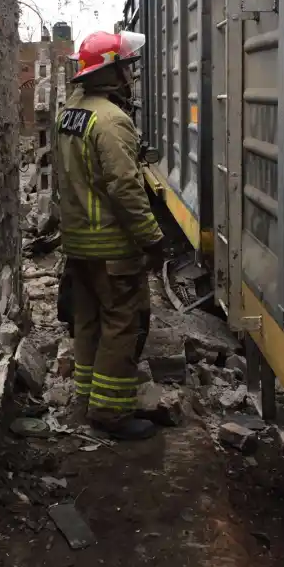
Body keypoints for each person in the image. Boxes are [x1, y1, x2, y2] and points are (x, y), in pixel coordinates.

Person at [56, 29, 164, 440]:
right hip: (112, 246)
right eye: (126, 67)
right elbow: (125, 187)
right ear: (111, 72)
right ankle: (112, 414)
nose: (130, 75)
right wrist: (151, 238)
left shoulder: (69, 111)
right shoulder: (113, 121)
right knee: (122, 322)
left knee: (88, 320)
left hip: (78, 242)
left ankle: (88, 398)